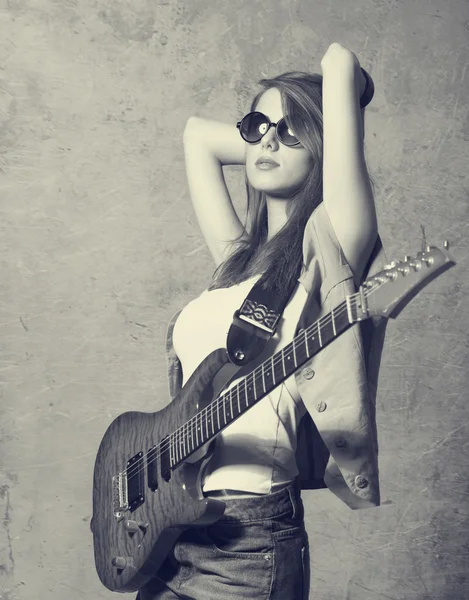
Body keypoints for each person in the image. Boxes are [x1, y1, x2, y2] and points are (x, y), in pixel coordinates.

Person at [138, 42, 387, 600]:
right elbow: (198, 136)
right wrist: (271, 134)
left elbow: (338, 61)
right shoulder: (236, 258)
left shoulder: (326, 254)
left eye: (293, 130)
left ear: (325, 146)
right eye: (257, 126)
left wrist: (335, 101)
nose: (268, 140)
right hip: (171, 526)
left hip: (248, 541)